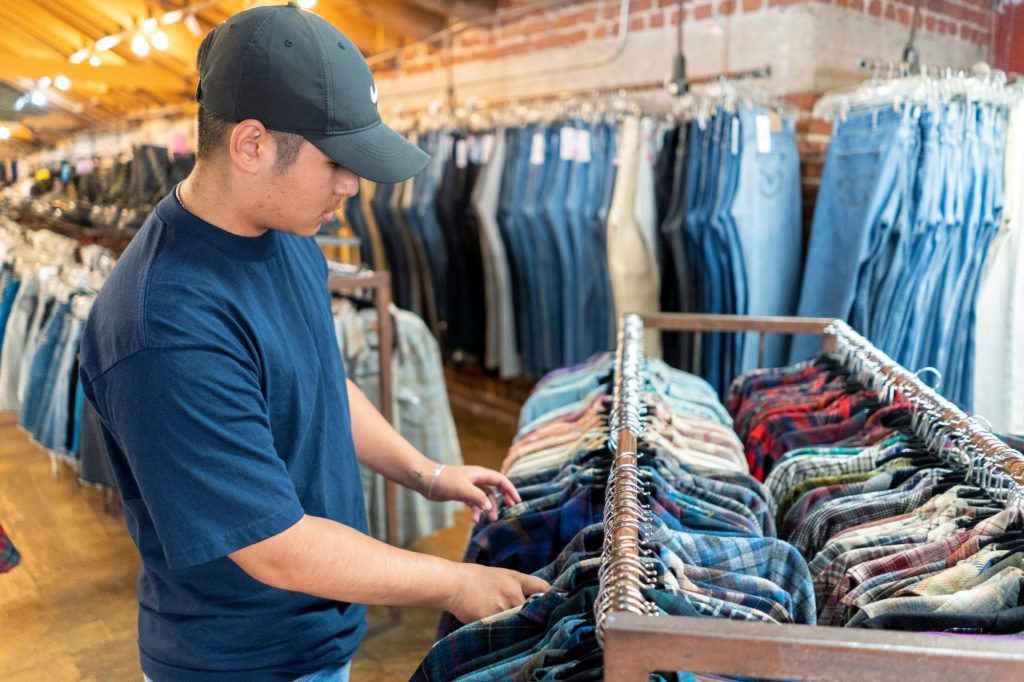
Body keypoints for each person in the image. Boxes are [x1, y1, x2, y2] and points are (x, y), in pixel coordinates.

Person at [78, 4, 549, 681]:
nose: (352, 186)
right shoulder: (164, 325)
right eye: (336, 162)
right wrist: (450, 583)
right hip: (240, 662)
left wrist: (427, 474)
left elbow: (324, 382)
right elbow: (273, 544)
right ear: (251, 146)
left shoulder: (287, 236)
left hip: (319, 633)